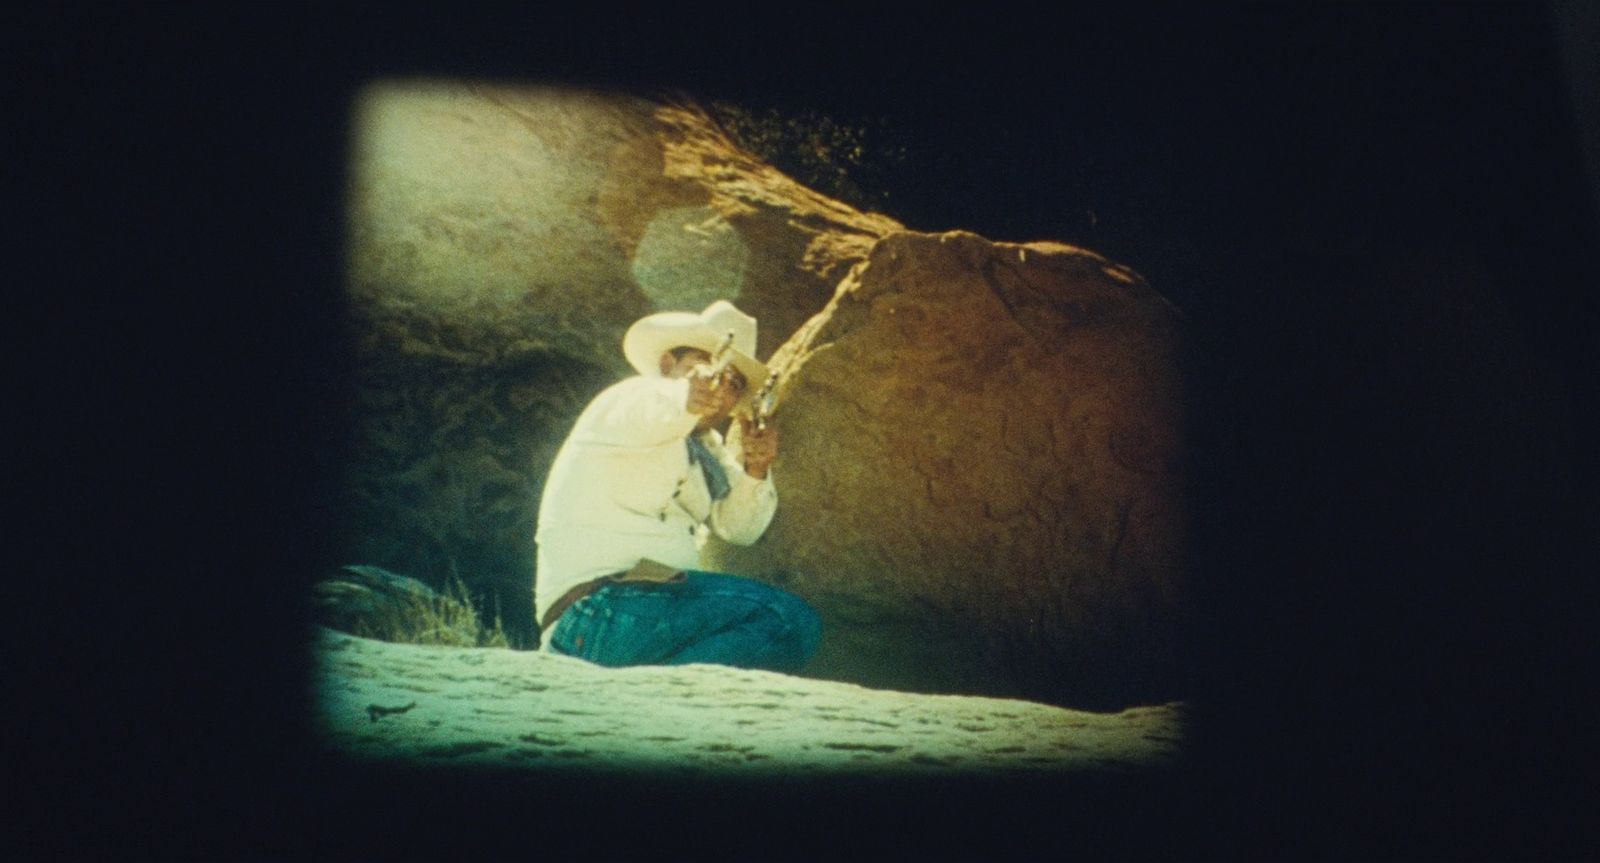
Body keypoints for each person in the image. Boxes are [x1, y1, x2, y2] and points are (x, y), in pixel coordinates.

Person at [534, 300, 821, 672]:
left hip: (636, 618)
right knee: (784, 620)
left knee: (791, 626)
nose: (718, 389)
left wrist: (756, 468)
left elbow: (739, 529)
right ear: (667, 366)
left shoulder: (704, 450)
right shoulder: (627, 400)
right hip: (598, 610)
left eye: (732, 384)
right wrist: (684, 395)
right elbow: (651, 406)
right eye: (705, 370)